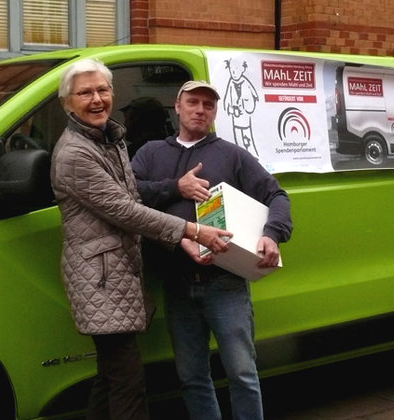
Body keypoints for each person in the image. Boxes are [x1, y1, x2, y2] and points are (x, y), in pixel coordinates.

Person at [50, 59, 232, 420]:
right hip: (100, 280)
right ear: (67, 103)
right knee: (129, 383)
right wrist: (191, 231)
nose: (96, 99)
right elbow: (124, 210)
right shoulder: (75, 154)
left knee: (111, 376)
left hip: (113, 276)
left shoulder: (107, 138)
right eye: (85, 93)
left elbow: (131, 198)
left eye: (102, 90)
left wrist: (173, 240)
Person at [130, 80, 292, 420]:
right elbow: (127, 197)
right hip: (175, 284)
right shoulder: (150, 153)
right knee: (191, 378)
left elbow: (276, 196)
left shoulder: (231, 155)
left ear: (215, 111)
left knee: (243, 375)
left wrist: (272, 234)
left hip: (225, 284)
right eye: (193, 102)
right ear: (177, 106)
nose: (200, 110)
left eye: (208, 104)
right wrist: (176, 187)